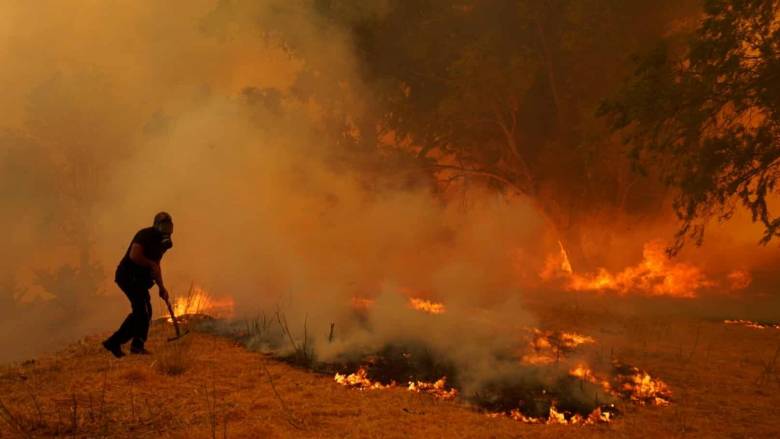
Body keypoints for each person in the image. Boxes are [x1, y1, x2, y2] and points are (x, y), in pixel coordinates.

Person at [103, 212, 174, 358]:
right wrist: (150, 264)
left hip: (140, 280)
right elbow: (134, 255)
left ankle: (134, 345)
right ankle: (117, 343)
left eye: (169, 226)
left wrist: (161, 287)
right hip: (128, 277)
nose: (166, 230)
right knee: (142, 312)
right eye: (164, 226)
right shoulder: (145, 235)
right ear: (156, 226)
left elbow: (156, 265)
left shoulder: (163, 243)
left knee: (144, 312)